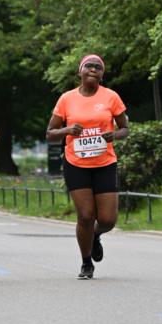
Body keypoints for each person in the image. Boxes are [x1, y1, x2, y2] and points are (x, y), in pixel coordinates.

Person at [46, 54, 129, 278]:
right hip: (76, 164)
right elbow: (50, 134)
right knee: (85, 215)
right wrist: (67, 131)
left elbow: (125, 128)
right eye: (88, 66)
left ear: (102, 74)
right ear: (80, 71)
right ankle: (86, 263)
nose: (93, 69)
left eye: (98, 67)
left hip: (104, 163)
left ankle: (95, 235)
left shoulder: (111, 97)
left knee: (108, 220)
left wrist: (114, 135)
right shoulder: (66, 99)